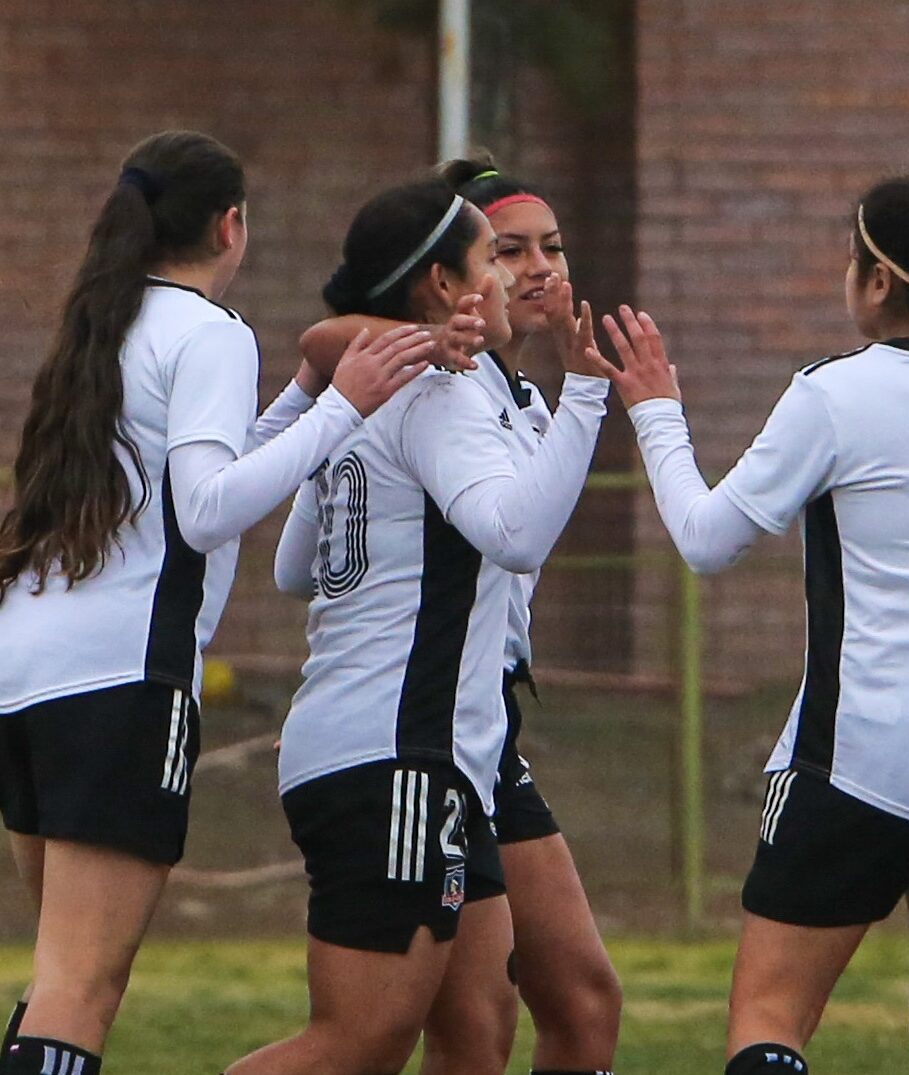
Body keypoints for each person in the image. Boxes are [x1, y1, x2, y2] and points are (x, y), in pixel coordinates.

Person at [596, 132, 909, 1075]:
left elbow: (706, 541)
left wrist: (656, 409)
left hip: (863, 757)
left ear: (874, 283)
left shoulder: (836, 395)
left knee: (770, 1017)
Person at [0, 130, 437, 1075]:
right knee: (81, 987)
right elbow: (206, 506)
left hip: (13, 671)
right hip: (116, 679)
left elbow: (193, 476)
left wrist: (306, 392)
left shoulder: (104, 319)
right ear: (231, 225)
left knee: (59, 971)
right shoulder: (210, 330)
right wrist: (345, 405)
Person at [225, 172, 617, 1075]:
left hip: (419, 749)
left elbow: (296, 568)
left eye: (545, 249)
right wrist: (591, 390)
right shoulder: (438, 387)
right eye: (496, 254)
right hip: (397, 747)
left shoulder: (382, 384)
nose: (523, 273)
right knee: (357, 1042)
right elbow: (514, 535)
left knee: (476, 1029)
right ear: (446, 284)